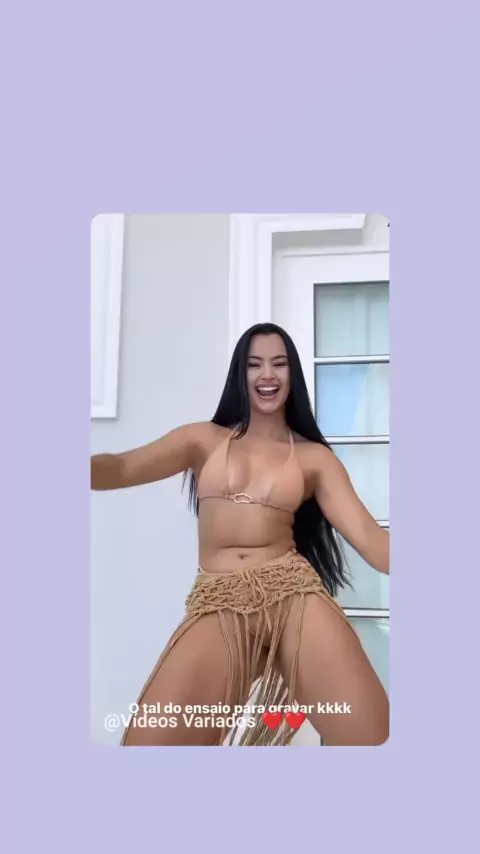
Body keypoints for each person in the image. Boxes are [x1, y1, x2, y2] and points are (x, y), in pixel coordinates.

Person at [91, 322, 389, 747]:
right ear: (240, 373)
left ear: (292, 374)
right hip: (219, 599)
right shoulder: (202, 439)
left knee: (370, 736)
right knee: (148, 746)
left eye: (279, 364)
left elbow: (374, 543)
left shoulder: (314, 459)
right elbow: (121, 467)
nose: (267, 374)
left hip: (291, 592)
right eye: (255, 364)